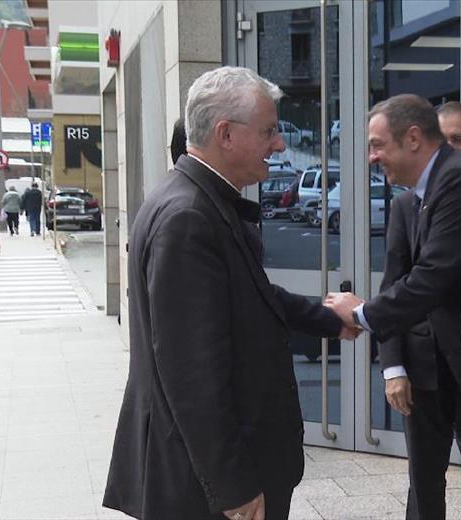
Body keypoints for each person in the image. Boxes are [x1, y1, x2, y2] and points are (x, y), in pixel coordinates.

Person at [103, 66, 358, 520]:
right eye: (269, 131)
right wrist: (233, 488)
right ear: (225, 134)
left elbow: (249, 297)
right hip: (208, 487)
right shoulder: (188, 217)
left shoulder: (197, 200)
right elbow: (192, 373)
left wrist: (330, 318)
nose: (280, 145)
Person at [325, 94, 461, 520]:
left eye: (378, 145)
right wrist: (393, 365)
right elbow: (397, 281)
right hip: (422, 366)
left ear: (414, 139)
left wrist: (361, 314)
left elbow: (432, 278)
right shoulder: (413, 197)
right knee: (423, 483)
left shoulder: (459, 178)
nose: (371, 157)